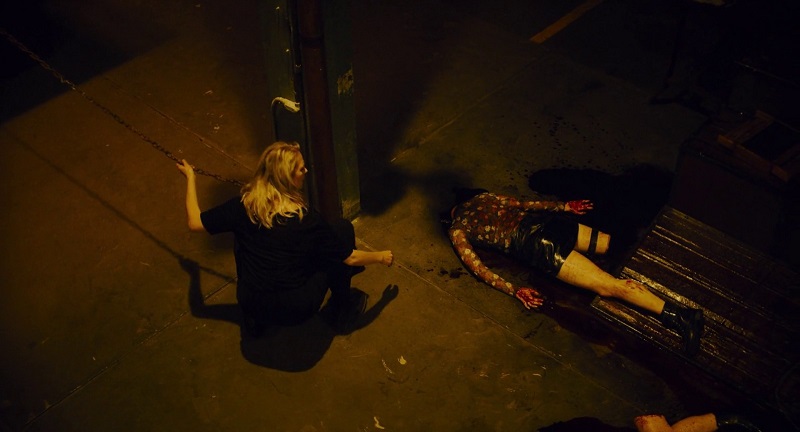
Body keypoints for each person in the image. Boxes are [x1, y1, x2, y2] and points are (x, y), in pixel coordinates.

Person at [444, 188, 704, 356]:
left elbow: (478, 268)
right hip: (553, 225)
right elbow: (524, 203)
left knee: (607, 286)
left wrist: (514, 289)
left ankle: (680, 316)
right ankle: (669, 278)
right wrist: (564, 207)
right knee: (618, 247)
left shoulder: (457, 228)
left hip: (538, 247)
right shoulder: (484, 198)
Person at [176, 141, 393, 335]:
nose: (306, 171)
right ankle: (342, 307)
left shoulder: (243, 206)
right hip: (294, 309)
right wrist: (381, 257)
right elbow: (350, 258)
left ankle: (255, 322)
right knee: (341, 231)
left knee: (242, 237)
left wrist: (190, 178)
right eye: (301, 168)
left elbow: (195, 222)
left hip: (251, 302)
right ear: (288, 177)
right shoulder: (305, 219)